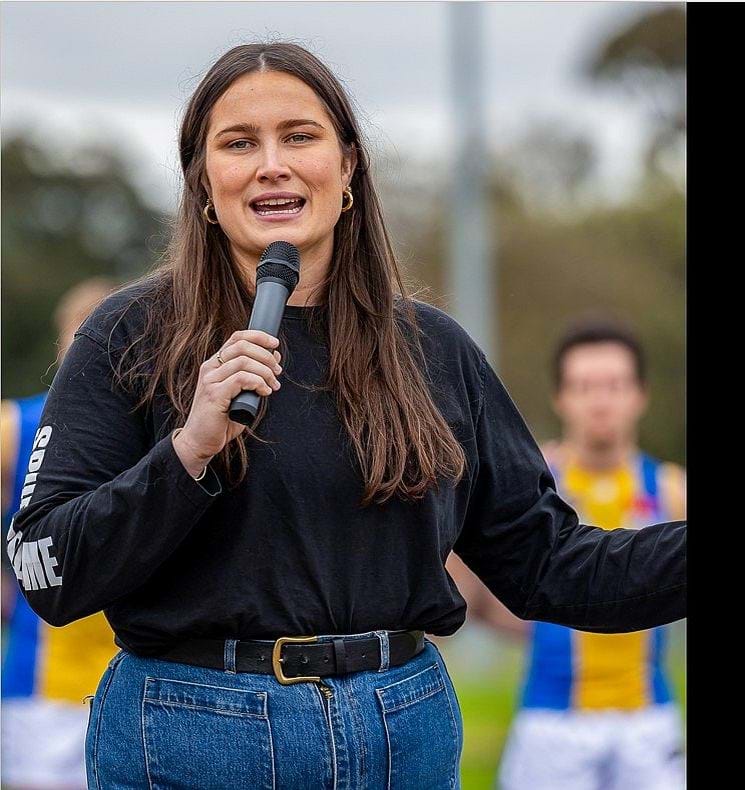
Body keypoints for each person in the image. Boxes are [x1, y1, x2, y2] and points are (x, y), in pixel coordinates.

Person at [6, 42, 685, 789]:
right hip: (192, 736)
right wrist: (188, 449)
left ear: (350, 167)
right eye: (239, 143)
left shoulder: (433, 351)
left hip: (401, 733)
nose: (272, 164)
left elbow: (548, 563)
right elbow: (47, 565)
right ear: (202, 183)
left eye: (300, 136)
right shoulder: (126, 337)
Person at [450, 319, 687, 789]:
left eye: (614, 385)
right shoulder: (526, 488)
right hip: (550, 717)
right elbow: (465, 590)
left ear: (640, 395)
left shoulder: (673, 489)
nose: (600, 401)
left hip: (647, 717)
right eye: (584, 387)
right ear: (561, 397)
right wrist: (535, 618)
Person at [1, 278, 119, 790]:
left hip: (143, 678)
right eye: (85, 332)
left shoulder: (179, 424)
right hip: (44, 684)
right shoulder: (17, 423)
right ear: (62, 340)